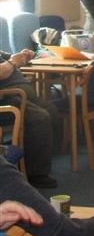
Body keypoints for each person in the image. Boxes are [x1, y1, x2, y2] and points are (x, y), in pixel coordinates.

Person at [0, 49, 59, 188]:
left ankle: (34, 160)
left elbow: (10, 58)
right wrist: (13, 62)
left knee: (52, 110)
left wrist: (24, 55)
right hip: (7, 98)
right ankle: (35, 174)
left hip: (21, 96)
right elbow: (4, 70)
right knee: (40, 118)